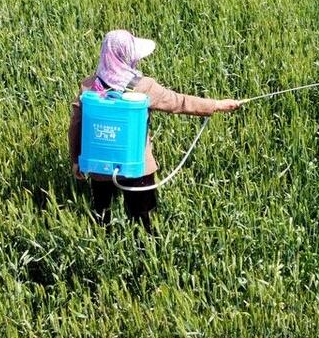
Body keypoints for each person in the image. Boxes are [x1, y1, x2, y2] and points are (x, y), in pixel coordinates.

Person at [68, 29, 240, 233]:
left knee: (101, 216)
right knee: (144, 220)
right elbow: (180, 102)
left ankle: (105, 248)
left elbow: (75, 127)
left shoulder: (89, 87)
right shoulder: (143, 87)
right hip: (137, 167)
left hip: (99, 167)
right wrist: (216, 105)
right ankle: (145, 254)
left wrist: (76, 160)